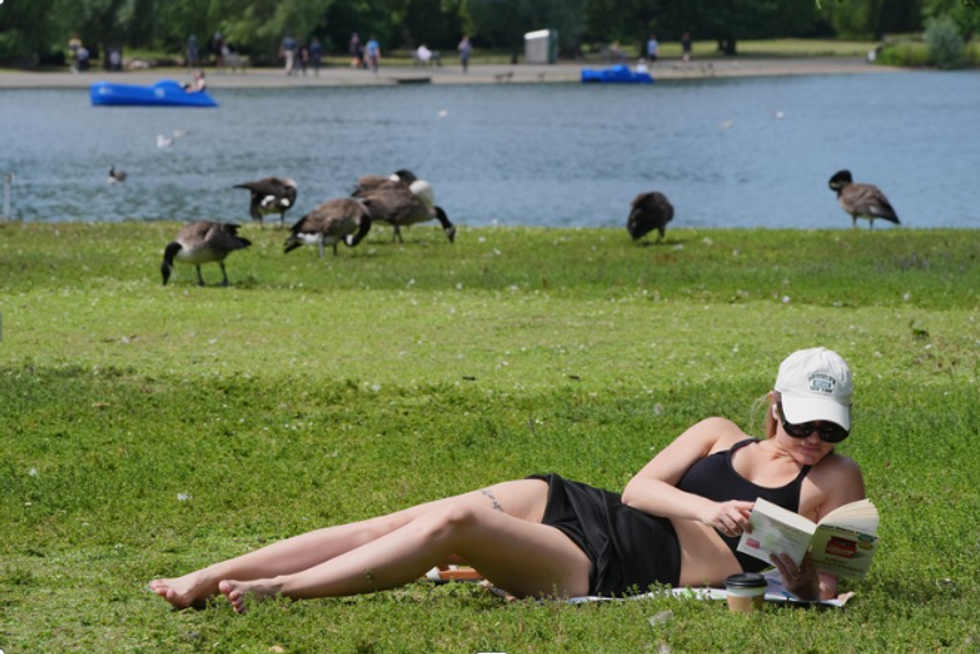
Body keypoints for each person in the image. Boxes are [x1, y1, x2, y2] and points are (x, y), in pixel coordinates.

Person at [149, 347, 864, 613]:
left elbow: (826, 586)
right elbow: (641, 488)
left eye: (829, 429)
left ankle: (279, 590)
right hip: (588, 506)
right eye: (803, 424)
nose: (813, 441)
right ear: (774, 405)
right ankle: (214, 571)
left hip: (613, 563)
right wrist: (714, 511)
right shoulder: (718, 430)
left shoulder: (838, 479)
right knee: (399, 520)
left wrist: (798, 580)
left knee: (450, 530)